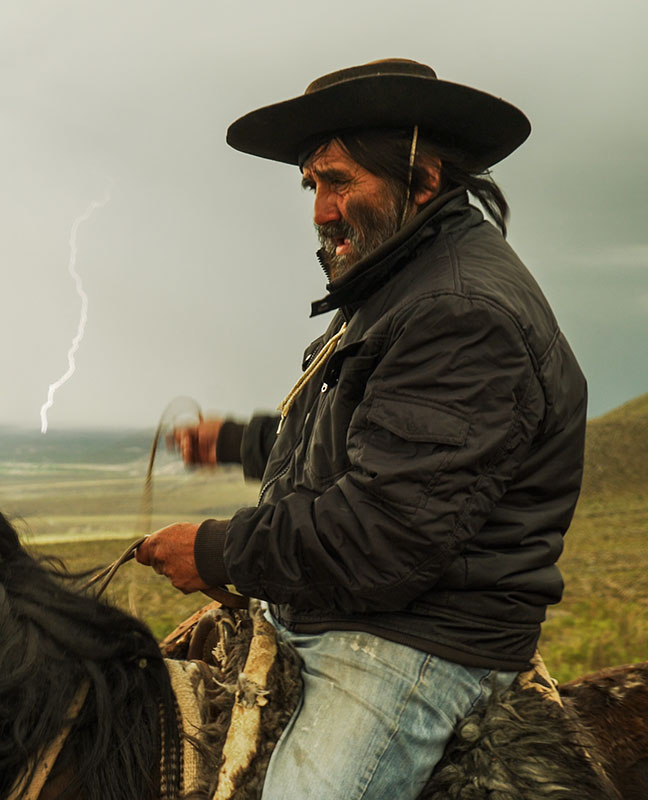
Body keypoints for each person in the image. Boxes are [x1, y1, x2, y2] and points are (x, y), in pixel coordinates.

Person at [135, 58, 587, 799]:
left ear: (423, 178)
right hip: (349, 608)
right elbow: (354, 447)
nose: (319, 209)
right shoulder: (400, 284)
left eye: (340, 181)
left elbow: (386, 531)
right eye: (312, 184)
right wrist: (232, 443)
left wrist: (216, 550)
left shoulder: (461, 312)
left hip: (417, 639)